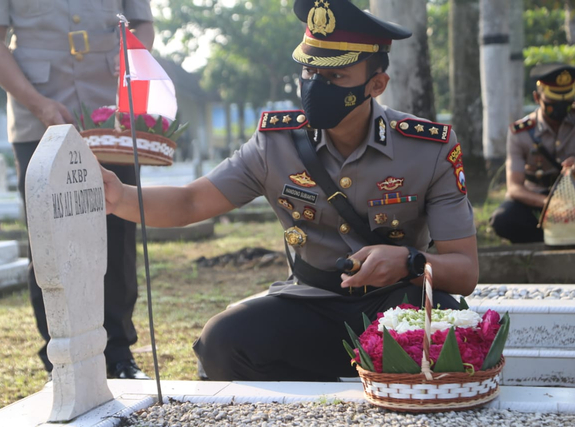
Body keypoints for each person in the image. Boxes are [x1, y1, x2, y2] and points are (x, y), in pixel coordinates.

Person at [102, 0, 478, 381]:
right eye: (309, 70)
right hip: (311, 305)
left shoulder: (429, 149)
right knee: (222, 342)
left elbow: (464, 272)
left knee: (456, 339)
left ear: (376, 84)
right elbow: (191, 201)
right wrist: (118, 196)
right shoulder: (275, 144)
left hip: (397, 304)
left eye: (335, 78)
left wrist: (409, 261)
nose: (316, 86)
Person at [0, 0, 155, 379]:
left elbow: (142, 23)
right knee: (50, 239)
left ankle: (118, 353)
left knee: (117, 229)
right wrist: (37, 105)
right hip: (37, 107)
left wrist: (132, 68)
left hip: (112, 110)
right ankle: (62, 357)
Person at [490, 63, 575, 244]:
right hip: (536, 199)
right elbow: (515, 188)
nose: (561, 108)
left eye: (566, 103)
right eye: (553, 103)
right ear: (537, 97)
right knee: (503, 219)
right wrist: (550, 205)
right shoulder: (520, 132)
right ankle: (545, 240)